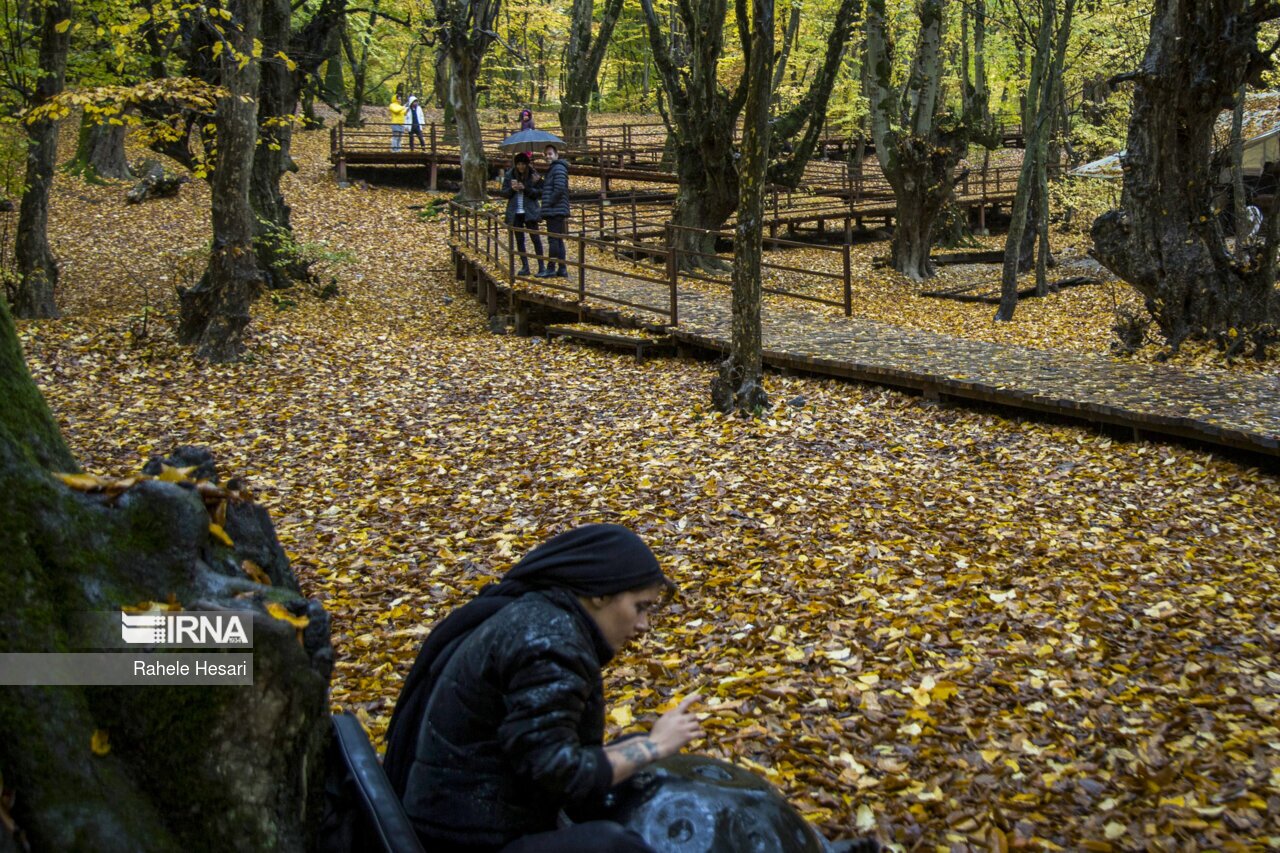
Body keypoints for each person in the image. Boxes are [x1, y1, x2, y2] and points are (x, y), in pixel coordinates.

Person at [383, 524, 702, 853]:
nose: (643, 625)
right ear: (600, 594)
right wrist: (654, 747)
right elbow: (553, 771)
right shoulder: (549, 642)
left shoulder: (543, 619)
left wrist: (644, 745)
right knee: (612, 846)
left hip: (473, 816)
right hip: (467, 838)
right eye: (640, 607)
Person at [502, 153, 545, 276]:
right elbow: (504, 193)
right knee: (519, 240)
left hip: (530, 211)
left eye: (523, 164)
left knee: (535, 238)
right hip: (516, 212)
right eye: (518, 164)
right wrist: (512, 189)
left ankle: (541, 266)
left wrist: (526, 188)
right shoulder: (510, 175)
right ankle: (525, 266)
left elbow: (540, 193)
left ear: (527, 164)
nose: (521, 166)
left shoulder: (534, 175)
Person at [537, 144, 569, 278]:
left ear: (556, 155)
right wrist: (539, 181)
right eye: (546, 154)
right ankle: (562, 268)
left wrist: (549, 203)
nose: (547, 157)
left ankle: (551, 268)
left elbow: (559, 188)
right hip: (556, 209)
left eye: (550, 154)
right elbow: (549, 187)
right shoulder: (553, 169)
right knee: (558, 239)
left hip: (555, 210)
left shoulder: (558, 168)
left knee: (553, 240)